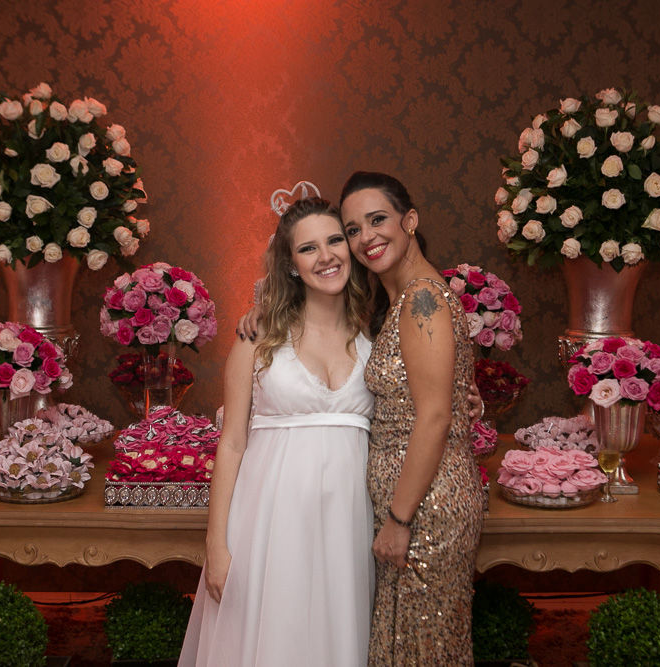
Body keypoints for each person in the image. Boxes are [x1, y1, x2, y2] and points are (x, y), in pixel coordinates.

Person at [179, 195, 376, 666]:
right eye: (308, 248)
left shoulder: (376, 333)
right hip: (267, 525)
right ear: (290, 264)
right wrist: (216, 544)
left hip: (347, 525)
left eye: (335, 240)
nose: (326, 256)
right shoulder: (258, 337)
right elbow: (231, 444)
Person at [340, 171, 485, 666]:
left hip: (426, 509)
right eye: (353, 229)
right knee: (407, 647)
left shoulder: (423, 297)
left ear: (410, 221)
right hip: (413, 502)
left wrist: (399, 521)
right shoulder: (402, 298)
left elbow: (436, 417)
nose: (366, 237)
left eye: (377, 219)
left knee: (423, 651)